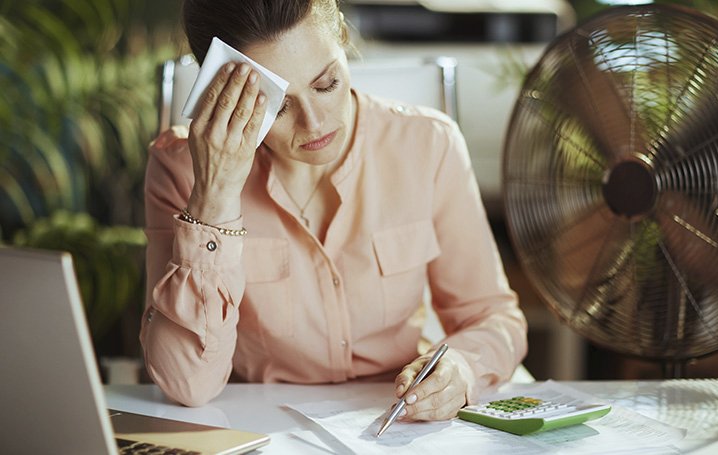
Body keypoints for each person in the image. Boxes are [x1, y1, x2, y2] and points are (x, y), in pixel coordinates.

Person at [141, 0, 528, 422]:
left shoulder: (429, 145)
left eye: (326, 84)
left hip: (397, 424)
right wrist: (214, 200)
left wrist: (463, 367)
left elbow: (492, 317)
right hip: (260, 429)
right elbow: (187, 384)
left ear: (342, 38)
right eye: (279, 106)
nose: (314, 123)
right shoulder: (181, 170)